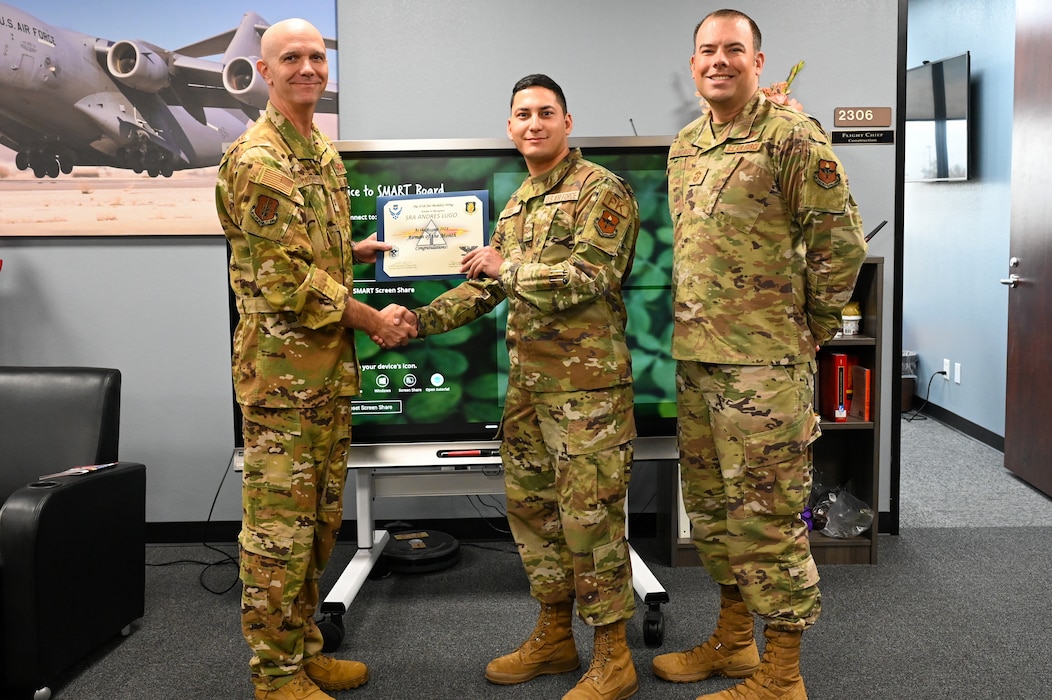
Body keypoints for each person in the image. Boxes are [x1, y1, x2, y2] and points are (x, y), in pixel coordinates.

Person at [651, 9, 867, 700]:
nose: (719, 60)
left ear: (758, 61)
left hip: (765, 368)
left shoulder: (792, 136)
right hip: (698, 362)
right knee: (714, 513)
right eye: (707, 51)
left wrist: (813, 328)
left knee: (769, 518)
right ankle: (736, 643)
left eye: (733, 50)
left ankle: (781, 676)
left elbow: (841, 242)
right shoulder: (685, 144)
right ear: (693, 66)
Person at [404, 74, 641, 700]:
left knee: (592, 524)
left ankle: (613, 657)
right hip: (530, 395)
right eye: (521, 115)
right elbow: (486, 286)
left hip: (586, 396)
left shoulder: (600, 191)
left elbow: (589, 275)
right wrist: (416, 322)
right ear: (510, 128)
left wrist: (505, 267)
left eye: (545, 113)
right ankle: (556, 635)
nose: (532, 124)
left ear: (567, 122)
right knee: (535, 519)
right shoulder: (518, 203)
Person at [215, 18, 415, 700]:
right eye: (290, 58)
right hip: (283, 382)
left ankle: (300, 649)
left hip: (325, 376)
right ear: (264, 72)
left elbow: (308, 253)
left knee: (319, 521)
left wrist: (350, 253)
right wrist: (371, 320)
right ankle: (273, 676)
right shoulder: (259, 160)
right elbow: (284, 281)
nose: (308, 67)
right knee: (279, 531)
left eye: (316, 56)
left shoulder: (317, 151)